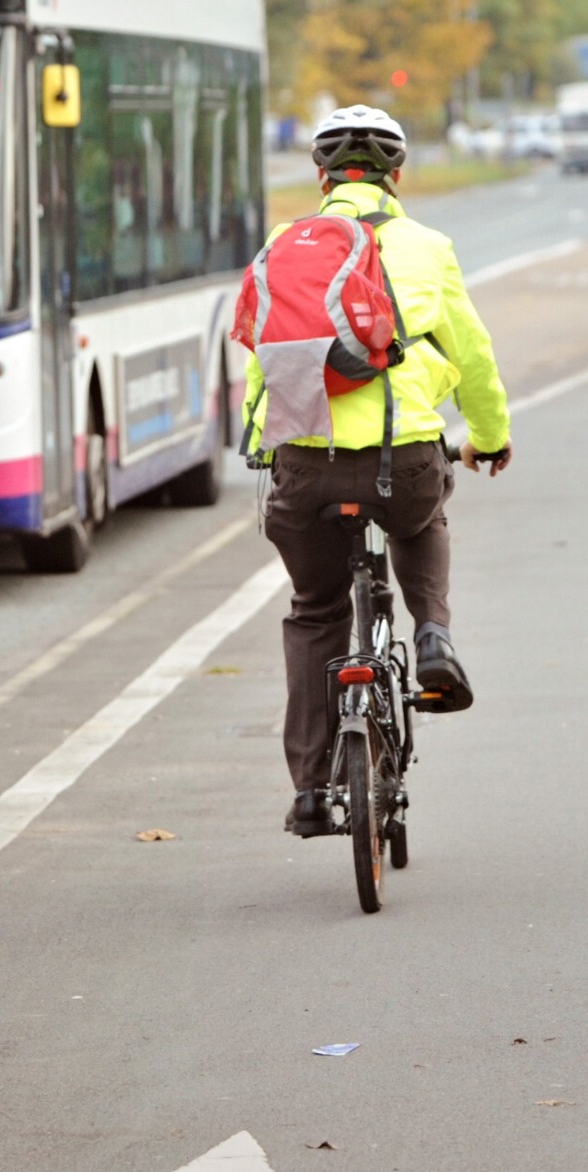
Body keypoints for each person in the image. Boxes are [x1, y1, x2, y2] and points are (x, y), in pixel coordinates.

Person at [240, 105, 512, 838]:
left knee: (315, 610)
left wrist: (265, 441)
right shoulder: (428, 245)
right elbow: (474, 355)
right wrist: (489, 435)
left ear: (320, 177)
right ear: (398, 175)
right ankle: (433, 636)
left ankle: (307, 791)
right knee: (424, 517)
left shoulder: (280, 244)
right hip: (404, 460)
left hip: (304, 464)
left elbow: (262, 356)